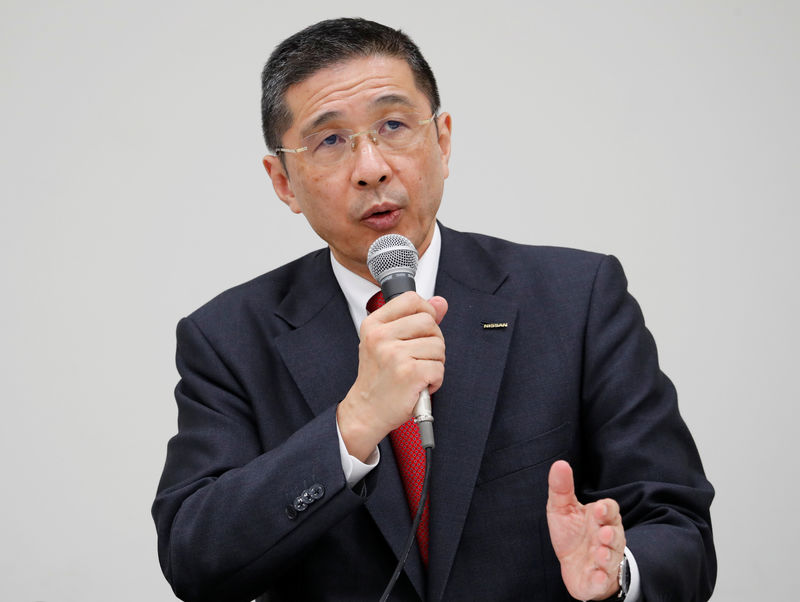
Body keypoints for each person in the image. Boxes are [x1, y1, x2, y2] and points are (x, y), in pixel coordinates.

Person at [152, 17, 715, 602]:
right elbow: (195, 557)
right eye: (330, 140)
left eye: (393, 125)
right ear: (284, 182)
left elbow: (678, 525)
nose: (371, 167)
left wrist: (617, 573)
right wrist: (351, 428)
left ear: (442, 140)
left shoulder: (578, 297)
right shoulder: (227, 338)